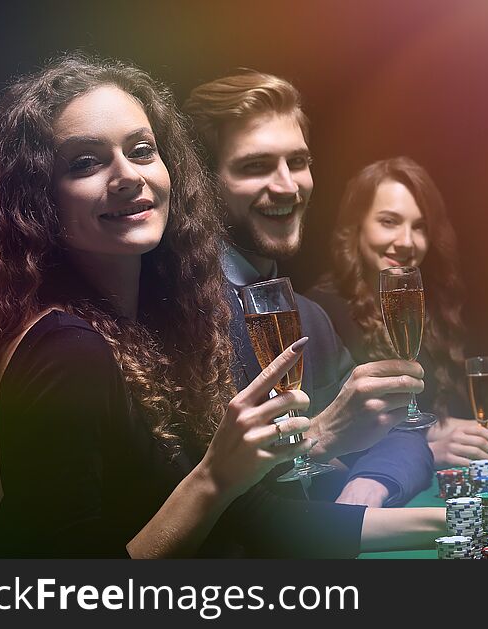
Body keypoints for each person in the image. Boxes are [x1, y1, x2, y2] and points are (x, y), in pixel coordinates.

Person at [0, 54, 488, 557]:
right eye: (85, 162)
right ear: (36, 199)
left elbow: (260, 521)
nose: (127, 175)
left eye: (141, 149)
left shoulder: (149, 330)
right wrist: (232, 472)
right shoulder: (68, 348)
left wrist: (469, 517)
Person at [183, 72, 435, 507]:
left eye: (297, 162)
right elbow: (214, 501)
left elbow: (403, 437)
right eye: (256, 166)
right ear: (204, 183)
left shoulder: (307, 316)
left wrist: (367, 487)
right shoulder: (175, 312)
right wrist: (321, 436)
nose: (287, 185)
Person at [306, 157, 488, 469]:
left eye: (420, 227)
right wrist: (428, 455)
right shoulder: (320, 313)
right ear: (356, 227)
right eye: (389, 221)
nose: (407, 241)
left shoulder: (416, 309)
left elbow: (420, 422)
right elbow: (324, 446)